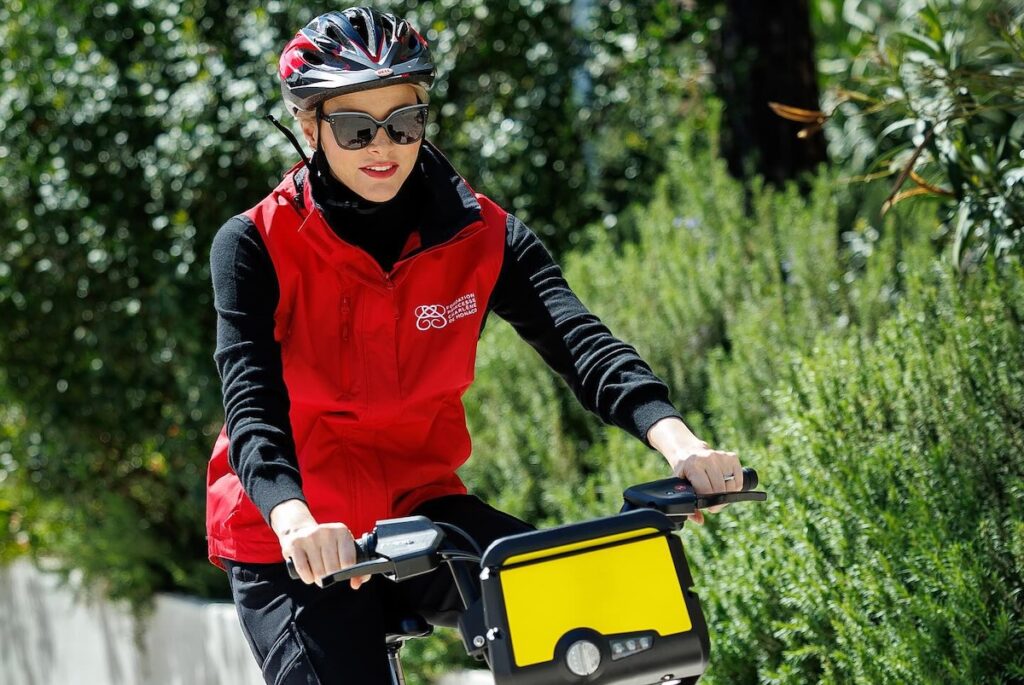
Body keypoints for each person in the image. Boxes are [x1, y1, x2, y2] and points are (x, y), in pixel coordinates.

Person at [205, 7, 746, 684]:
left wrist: (681, 445)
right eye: (354, 128)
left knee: (600, 632)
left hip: (421, 509)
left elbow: (583, 345)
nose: (385, 146)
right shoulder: (254, 243)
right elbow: (251, 402)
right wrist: (292, 518)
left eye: (404, 122)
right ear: (309, 126)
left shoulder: (483, 235)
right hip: (294, 533)